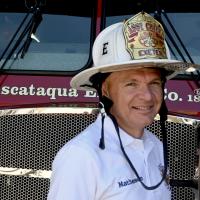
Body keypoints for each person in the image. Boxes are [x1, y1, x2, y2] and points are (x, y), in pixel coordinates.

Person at [47, 11, 198, 200]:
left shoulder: (155, 147)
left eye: (154, 83)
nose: (147, 96)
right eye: (131, 84)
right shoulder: (81, 157)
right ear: (105, 90)